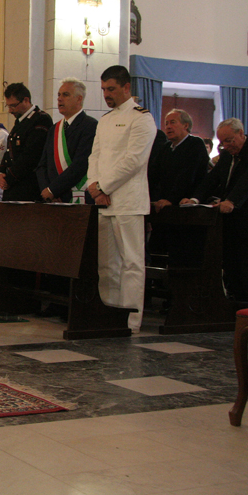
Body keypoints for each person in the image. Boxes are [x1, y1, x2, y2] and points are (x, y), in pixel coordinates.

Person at [87, 65, 157, 333]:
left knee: (131, 262)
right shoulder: (104, 120)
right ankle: (109, 312)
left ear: (127, 88)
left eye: (111, 89)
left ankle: (131, 320)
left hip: (127, 200)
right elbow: (95, 156)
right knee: (106, 264)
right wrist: (94, 186)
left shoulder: (141, 118)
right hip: (103, 200)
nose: (106, 94)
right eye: (103, 89)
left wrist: (104, 186)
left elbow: (134, 161)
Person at [181, 118, 248, 306]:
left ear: (241, 133)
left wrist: (232, 200)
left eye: (229, 140)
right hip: (232, 224)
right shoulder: (226, 156)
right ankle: (236, 311)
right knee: (231, 271)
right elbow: (212, 180)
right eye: (222, 142)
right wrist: (194, 199)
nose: (225, 146)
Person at [147, 109, 210, 267]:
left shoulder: (195, 144)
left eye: (173, 122)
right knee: (156, 252)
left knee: (182, 257)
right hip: (165, 209)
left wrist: (171, 199)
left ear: (186, 125)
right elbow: (153, 176)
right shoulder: (166, 149)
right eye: (166, 123)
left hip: (186, 211)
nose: (168, 126)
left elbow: (188, 175)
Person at [36, 77, 97, 204]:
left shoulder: (90, 125)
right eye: (58, 95)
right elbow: (42, 165)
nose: (59, 99)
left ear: (79, 99)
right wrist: (47, 191)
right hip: (54, 199)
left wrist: (54, 190)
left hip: (76, 196)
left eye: (65, 95)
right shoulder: (54, 129)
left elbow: (80, 164)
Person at [0, 83, 53, 201]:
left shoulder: (40, 119)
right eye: (8, 106)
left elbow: (31, 156)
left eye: (13, 106)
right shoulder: (20, 121)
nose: (10, 110)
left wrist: (10, 177)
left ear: (26, 100)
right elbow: (9, 151)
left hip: (29, 188)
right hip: (14, 187)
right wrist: (1, 173)